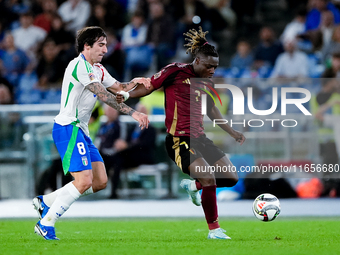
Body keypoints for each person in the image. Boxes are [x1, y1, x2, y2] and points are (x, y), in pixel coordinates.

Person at [115, 27, 245, 239]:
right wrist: (127, 95)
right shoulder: (174, 70)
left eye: (215, 67)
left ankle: (194, 186)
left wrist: (232, 132)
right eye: (209, 66)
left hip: (201, 138)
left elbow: (211, 109)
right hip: (179, 139)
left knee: (231, 177)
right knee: (210, 179)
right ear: (197, 61)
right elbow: (148, 86)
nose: (213, 71)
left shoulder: (205, 82)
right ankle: (215, 230)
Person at [32, 26, 150, 240]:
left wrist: (137, 81)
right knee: (84, 180)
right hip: (68, 127)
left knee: (99, 181)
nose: (105, 49)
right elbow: (104, 96)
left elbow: (120, 87)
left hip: (81, 131)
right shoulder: (79, 66)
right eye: (101, 45)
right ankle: (46, 223)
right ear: (87, 46)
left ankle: (46, 202)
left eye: (106, 44)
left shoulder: (98, 69)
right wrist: (133, 113)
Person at [98, 103, 156, 199]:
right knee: (116, 161)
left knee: (118, 160)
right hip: (131, 157)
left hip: (143, 157)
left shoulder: (151, 129)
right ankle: (109, 189)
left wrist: (127, 146)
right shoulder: (134, 128)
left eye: (144, 112)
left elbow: (145, 145)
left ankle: (112, 191)